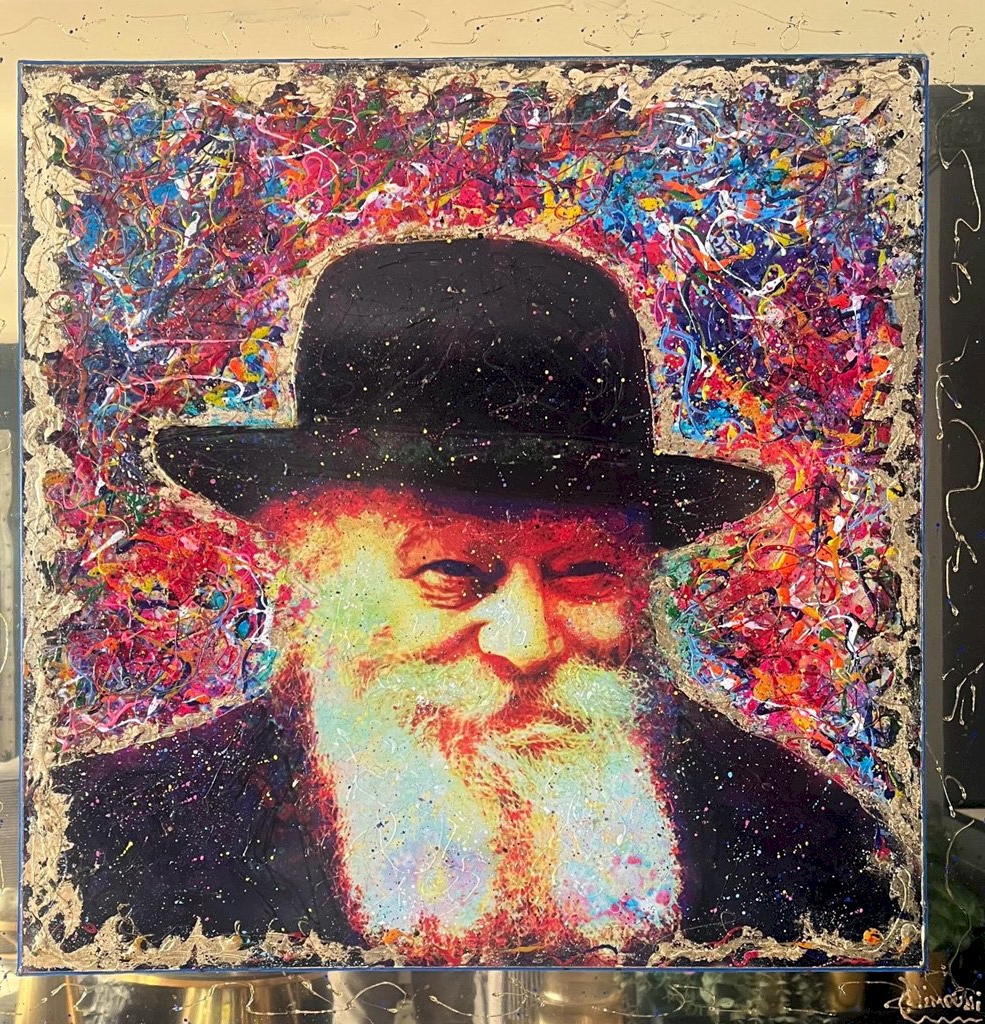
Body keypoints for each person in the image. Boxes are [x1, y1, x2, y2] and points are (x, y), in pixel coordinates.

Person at [54, 238, 905, 967]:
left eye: (586, 572)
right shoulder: (105, 840)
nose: (529, 643)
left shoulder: (807, 838)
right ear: (316, 573)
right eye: (455, 572)